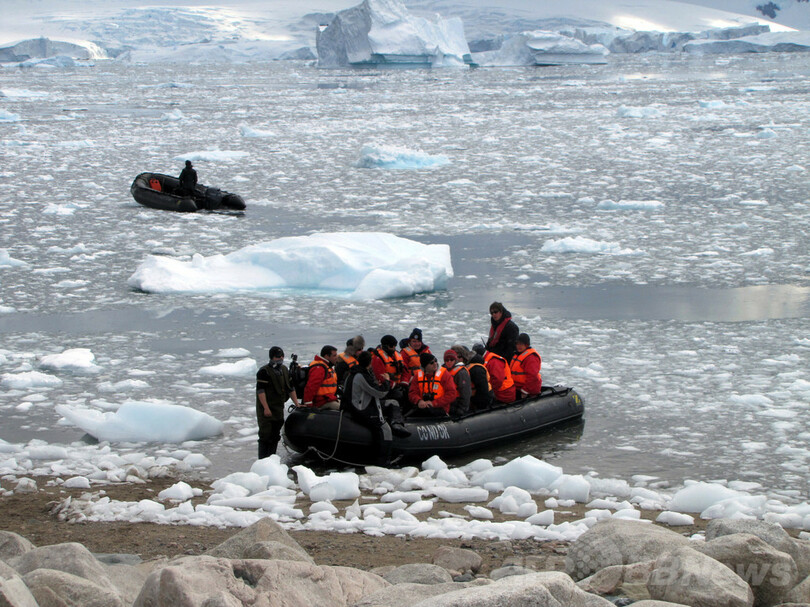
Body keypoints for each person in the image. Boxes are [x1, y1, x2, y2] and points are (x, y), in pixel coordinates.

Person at [342, 350, 410, 442]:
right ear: (370, 363)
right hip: (360, 410)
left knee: (392, 402)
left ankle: (396, 423)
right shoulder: (361, 375)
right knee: (385, 429)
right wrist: (387, 381)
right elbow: (380, 393)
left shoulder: (352, 374)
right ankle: (385, 454)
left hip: (351, 407)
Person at [255, 346, 300, 459]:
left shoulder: (284, 370)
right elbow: (260, 391)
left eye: (281, 356)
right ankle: (262, 459)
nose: (280, 358)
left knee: (275, 435)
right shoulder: (264, 371)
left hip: (278, 408)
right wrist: (265, 407)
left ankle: (271, 458)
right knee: (265, 435)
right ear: (272, 357)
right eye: (277, 356)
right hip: (267, 408)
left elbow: (291, 388)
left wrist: (297, 404)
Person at [408, 352, 457, 417]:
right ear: (425, 366)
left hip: (440, 408)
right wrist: (419, 401)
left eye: (435, 361)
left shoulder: (444, 374)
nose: (435, 364)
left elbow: (452, 394)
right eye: (431, 363)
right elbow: (412, 393)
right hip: (423, 407)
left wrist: (433, 403)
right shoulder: (417, 376)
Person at [453, 344, 493, 411]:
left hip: (480, 401)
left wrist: (478, 406)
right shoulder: (458, 369)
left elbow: (483, 390)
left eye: (458, 357)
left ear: (463, 357)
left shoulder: (476, 369)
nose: (455, 360)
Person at [372, 334, 410, 402]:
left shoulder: (397, 355)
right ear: (385, 346)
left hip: (399, 385)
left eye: (395, 346)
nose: (394, 348)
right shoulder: (378, 358)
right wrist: (394, 385)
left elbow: (405, 370)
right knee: (399, 396)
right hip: (385, 388)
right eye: (392, 346)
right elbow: (380, 376)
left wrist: (404, 382)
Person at [303, 345, 340, 410]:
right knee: (345, 410)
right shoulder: (320, 368)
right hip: (321, 402)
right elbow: (311, 387)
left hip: (328, 399)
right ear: (326, 356)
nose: (336, 357)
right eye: (334, 355)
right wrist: (308, 404)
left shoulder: (327, 367)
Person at [510, 333, 542, 398]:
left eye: (521, 344)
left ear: (526, 345)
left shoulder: (531, 358)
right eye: (517, 344)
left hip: (528, 390)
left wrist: (525, 391)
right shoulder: (517, 354)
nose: (519, 346)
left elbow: (532, 377)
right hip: (517, 388)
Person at [443, 349, 471, 417]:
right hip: (446, 404)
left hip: (456, 405)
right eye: (447, 360)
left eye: (451, 360)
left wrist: (462, 408)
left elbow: (465, 392)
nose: (449, 362)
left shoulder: (461, 372)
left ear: (455, 360)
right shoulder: (443, 371)